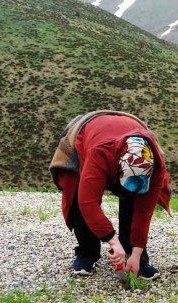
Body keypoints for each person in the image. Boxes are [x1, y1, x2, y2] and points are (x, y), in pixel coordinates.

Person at [50, 110, 171, 280]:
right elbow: (88, 203)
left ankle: (134, 255)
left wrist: (136, 253)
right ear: (118, 169)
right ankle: (87, 253)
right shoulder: (100, 154)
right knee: (79, 194)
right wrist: (113, 241)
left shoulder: (156, 165)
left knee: (134, 198)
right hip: (90, 135)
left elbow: (144, 212)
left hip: (124, 132)